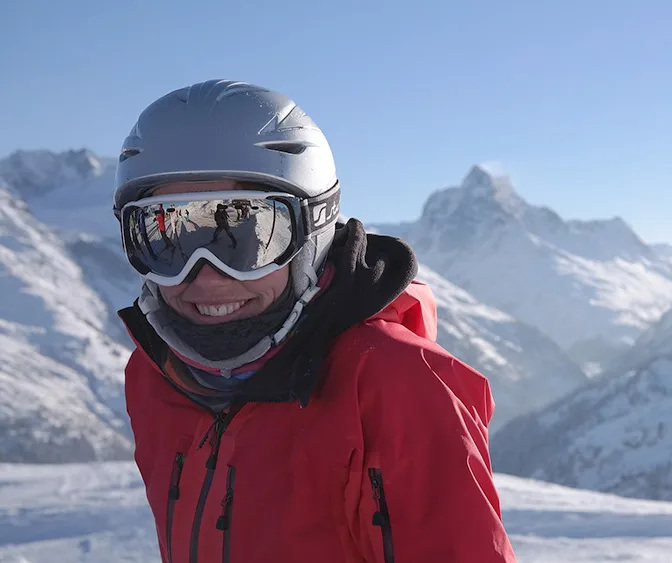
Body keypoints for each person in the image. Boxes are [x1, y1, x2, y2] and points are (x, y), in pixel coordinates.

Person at [112, 79, 517, 563]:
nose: (204, 276)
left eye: (246, 230)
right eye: (165, 235)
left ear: (313, 233)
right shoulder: (156, 378)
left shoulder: (397, 388)